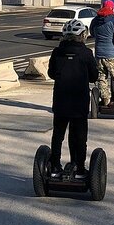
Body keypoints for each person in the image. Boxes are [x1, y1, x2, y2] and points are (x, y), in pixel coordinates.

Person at [47, 19, 98, 179]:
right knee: (79, 136)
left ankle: (55, 166)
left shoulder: (57, 52)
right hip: (79, 100)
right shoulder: (86, 53)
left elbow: (51, 73)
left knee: (58, 135)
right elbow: (93, 77)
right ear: (82, 35)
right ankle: (80, 168)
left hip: (61, 100)